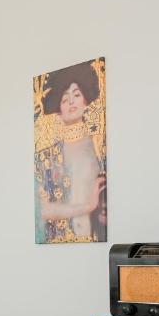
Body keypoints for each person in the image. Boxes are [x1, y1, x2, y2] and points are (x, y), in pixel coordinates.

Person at [34, 59, 107, 243]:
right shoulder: (46, 157)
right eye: (65, 99)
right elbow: (43, 210)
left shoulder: (100, 148)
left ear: (85, 101)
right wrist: (88, 206)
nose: (71, 101)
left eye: (76, 94)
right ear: (59, 110)